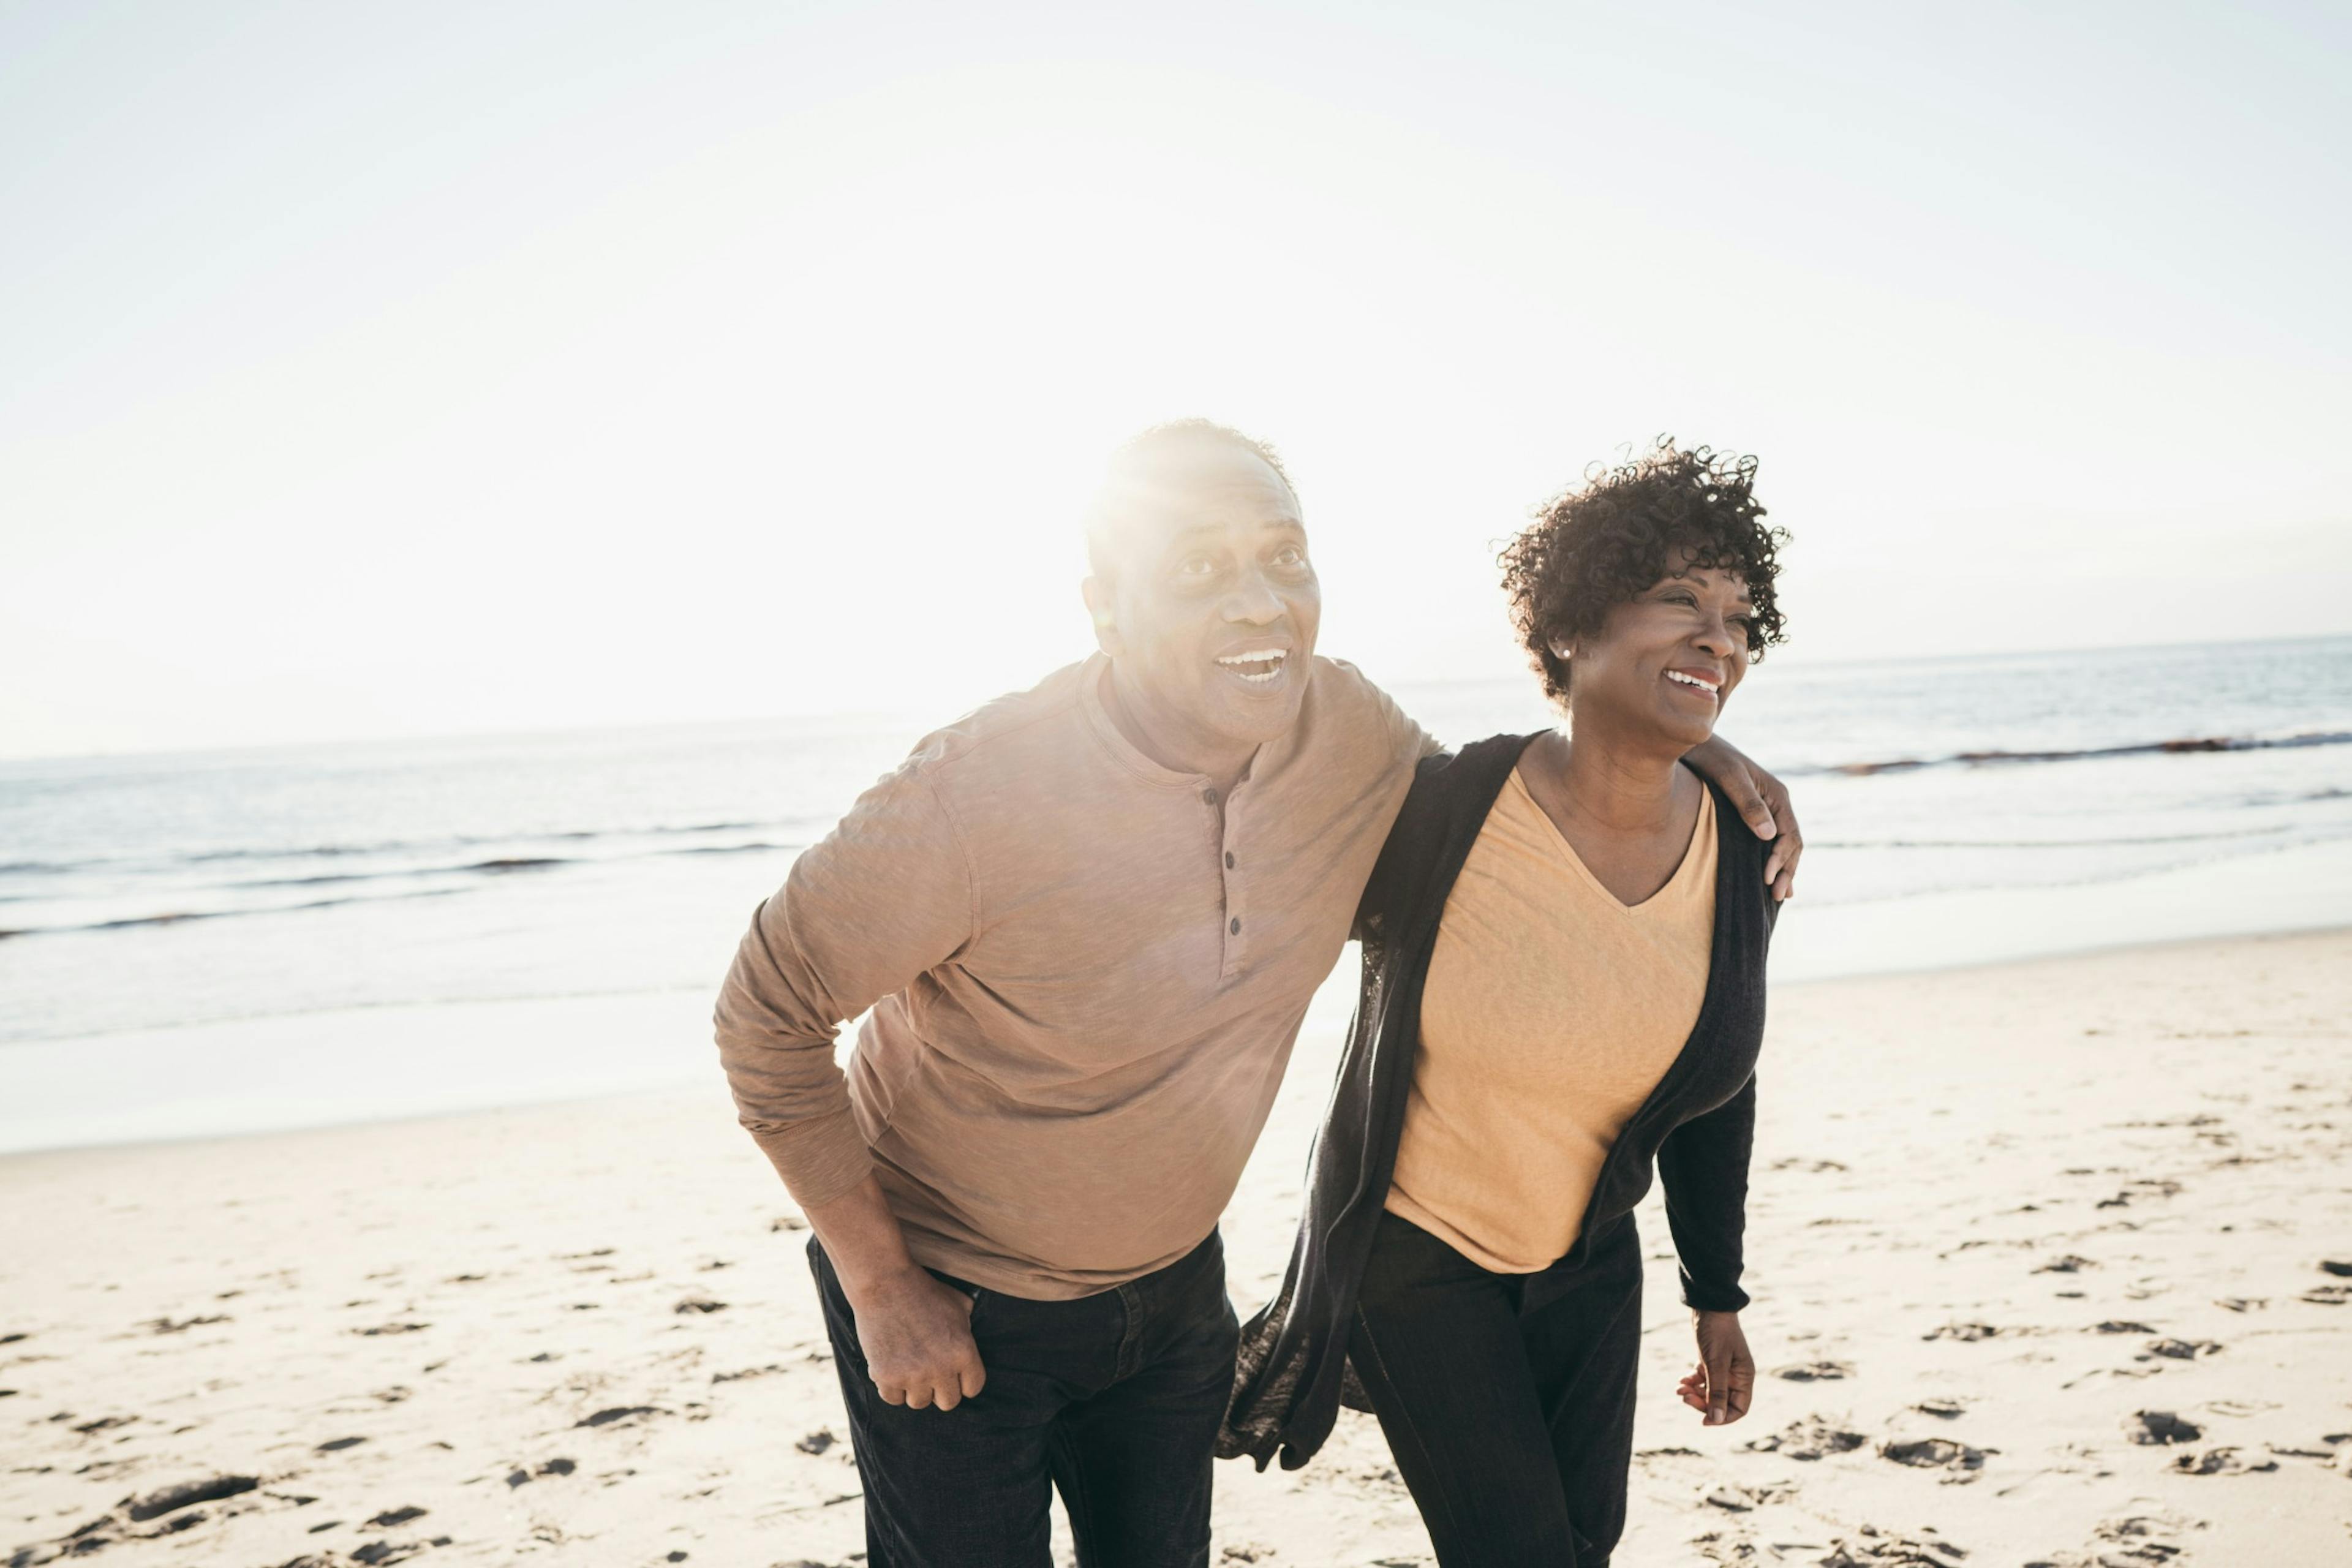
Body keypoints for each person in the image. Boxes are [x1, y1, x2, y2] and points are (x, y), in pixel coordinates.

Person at [713, 422, 1801, 1568]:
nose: (1257, 601)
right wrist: (880, 1285)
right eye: (1198, 568)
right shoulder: (969, 798)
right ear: (1107, 608)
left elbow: (1515, 820)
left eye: (1284, 557)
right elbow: (764, 1019)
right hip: (959, 1304)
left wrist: (1691, 753)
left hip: (1178, 1300)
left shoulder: (1349, 736)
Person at [1220, 439, 1789, 1568]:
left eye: (1734, 616)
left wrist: (1715, 1293)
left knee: (1584, 1546)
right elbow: (1246, 809)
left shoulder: (1741, 848)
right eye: (1678, 599)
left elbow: (1717, 1084)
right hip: (1414, 1257)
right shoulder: (1444, 809)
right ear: (1573, 625)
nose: (1715, 636)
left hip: (1586, 1260)